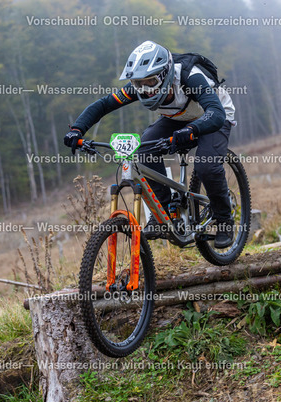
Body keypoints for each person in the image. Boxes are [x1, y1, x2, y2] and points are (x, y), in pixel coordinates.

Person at [64, 40, 236, 248]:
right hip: (178, 117)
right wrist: (77, 129)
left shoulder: (191, 78)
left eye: (151, 82)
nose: (145, 89)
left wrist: (191, 130)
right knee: (143, 151)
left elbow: (216, 113)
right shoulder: (140, 88)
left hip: (214, 115)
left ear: (166, 74)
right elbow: (104, 105)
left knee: (206, 166)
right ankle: (163, 214)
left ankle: (224, 220)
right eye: (139, 84)